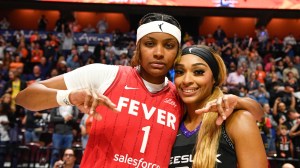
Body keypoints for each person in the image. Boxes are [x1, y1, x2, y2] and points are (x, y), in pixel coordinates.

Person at [15, 13, 263, 167]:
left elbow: (255, 114)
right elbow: (25, 97)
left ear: (176, 53)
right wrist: (68, 97)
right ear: (137, 49)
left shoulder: (179, 96)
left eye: (168, 46)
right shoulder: (103, 74)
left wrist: (239, 101)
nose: (158, 52)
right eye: (149, 44)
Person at [170, 45, 267, 168]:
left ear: (214, 78)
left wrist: (239, 102)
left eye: (198, 72)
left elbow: (259, 113)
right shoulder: (170, 124)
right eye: (180, 72)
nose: (186, 80)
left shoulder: (237, 121)